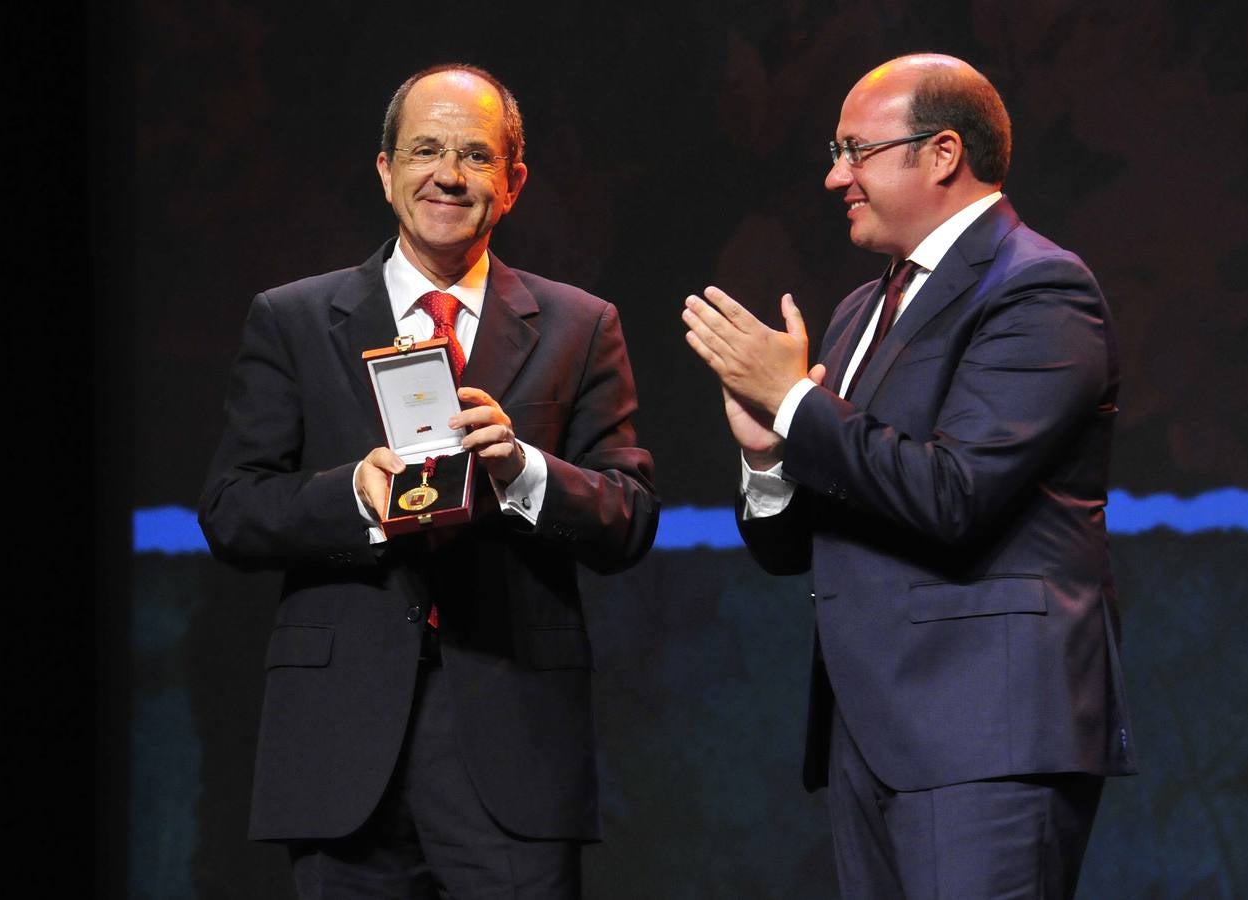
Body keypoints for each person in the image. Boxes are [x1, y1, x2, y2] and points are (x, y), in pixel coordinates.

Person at [682, 53, 1135, 898]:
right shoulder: (862, 308)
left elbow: (954, 493)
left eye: (855, 151)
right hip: (872, 733)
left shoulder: (1039, 288)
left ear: (942, 153)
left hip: (986, 738)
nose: (833, 177)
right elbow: (800, 543)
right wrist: (769, 452)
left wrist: (794, 403)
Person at [200, 63, 658, 899]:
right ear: (385, 172)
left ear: (513, 183)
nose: (448, 174)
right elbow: (232, 509)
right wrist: (352, 497)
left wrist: (522, 468)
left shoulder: (579, 325)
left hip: (514, 740)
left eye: (476, 157)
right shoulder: (294, 320)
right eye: (425, 150)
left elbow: (628, 517)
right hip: (340, 745)